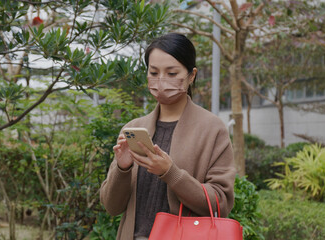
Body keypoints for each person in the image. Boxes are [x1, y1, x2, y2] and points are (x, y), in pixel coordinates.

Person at [100, 33, 236, 240]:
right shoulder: (133, 128)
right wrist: (122, 168)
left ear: (191, 76)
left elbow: (220, 203)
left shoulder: (212, 129)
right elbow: (112, 206)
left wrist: (170, 173)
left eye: (172, 73)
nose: (161, 81)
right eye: (154, 72)